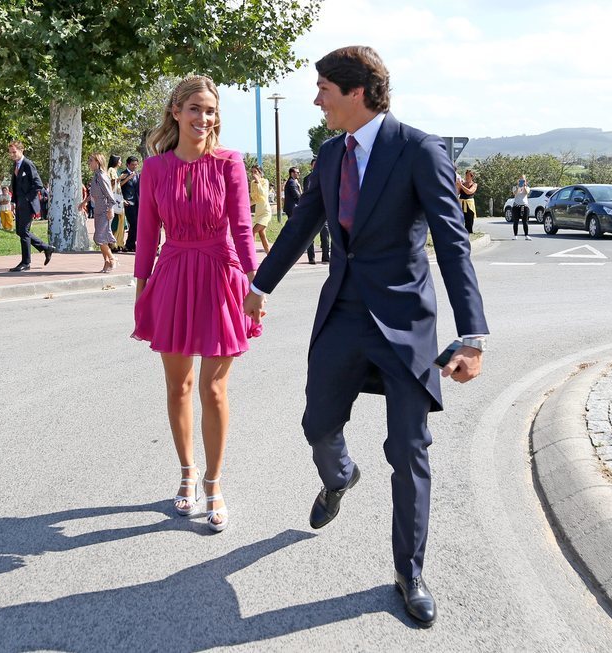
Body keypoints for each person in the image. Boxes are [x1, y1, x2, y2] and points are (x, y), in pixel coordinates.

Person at [242, 46, 487, 628]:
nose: (316, 97)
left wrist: (472, 333)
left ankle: (410, 571)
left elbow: (451, 243)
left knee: (409, 449)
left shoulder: (418, 150)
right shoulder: (330, 155)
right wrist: (261, 286)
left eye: (323, 87)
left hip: (405, 326)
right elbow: (302, 225)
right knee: (317, 424)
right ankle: (341, 475)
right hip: (343, 316)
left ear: (357, 92)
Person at [132, 75, 260, 534]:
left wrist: (255, 286)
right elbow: (146, 235)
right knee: (179, 388)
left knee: (215, 390)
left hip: (221, 276)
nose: (203, 118)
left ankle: (214, 481)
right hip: (172, 277)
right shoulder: (155, 169)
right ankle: (186, 473)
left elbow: (243, 228)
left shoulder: (230, 163)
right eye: (194, 109)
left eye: (210, 111)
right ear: (175, 112)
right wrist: (141, 290)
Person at [7, 140, 56, 272]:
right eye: (10, 152)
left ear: (21, 150)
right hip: (19, 204)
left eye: (14, 152)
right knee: (21, 231)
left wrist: (27, 199)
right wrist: (14, 201)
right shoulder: (16, 165)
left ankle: (26, 262)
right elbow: (16, 186)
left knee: (23, 232)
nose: (12, 154)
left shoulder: (28, 164)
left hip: (28, 204)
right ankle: (46, 248)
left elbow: (38, 184)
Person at [83, 152, 117, 272]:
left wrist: (110, 209)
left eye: (91, 160)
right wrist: (83, 203)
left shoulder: (102, 176)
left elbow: (110, 196)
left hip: (104, 211)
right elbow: (93, 194)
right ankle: (106, 262)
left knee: (99, 237)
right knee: (100, 239)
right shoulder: (96, 176)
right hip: (98, 210)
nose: (89, 163)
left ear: (98, 162)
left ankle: (112, 259)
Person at [302, 157, 330, 264]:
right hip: (311, 211)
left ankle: (326, 257)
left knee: (325, 235)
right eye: (314, 164)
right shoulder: (307, 179)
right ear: (311, 166)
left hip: (324, 211)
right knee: (310, 236)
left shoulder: (326, 177)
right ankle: (311, 258)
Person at [249, 164, 272, 254]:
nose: (253, 174)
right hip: (258, 213)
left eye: (255, 172)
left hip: (265, 212)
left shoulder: (264, 181)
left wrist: (258, 182)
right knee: (262, 235)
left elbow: (263, 194)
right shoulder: (252, 183)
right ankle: (270, 255)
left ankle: (250, 253)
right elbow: (254, 199)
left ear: (260, 173)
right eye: (252, 172)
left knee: (252, 232)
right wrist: (246, 206)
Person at [120, 156, 141, 252]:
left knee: (136, 224)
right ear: (128, 164)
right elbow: (118, 187)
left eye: (136, 165)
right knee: (134, 223)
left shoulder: (137, 174)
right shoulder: (123, 174)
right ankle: (129, 244)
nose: (134, 166)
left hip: (137, 203)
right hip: (128, 203)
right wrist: (123, 200)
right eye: (132, 165)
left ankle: (131, 244)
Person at [108, 155, 126, 252]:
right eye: (119, 160)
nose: (121, 162)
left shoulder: (115, 171)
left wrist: (125, 178)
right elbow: (110, 183)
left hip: (118, 199)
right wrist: (120, 178)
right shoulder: (111, 170)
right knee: (115, 222)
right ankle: (112, 244)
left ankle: (118, 243)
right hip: (114, 200)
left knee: (120, 221)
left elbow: (118, 185)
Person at [457, 169, 477, 234]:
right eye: (466, 175)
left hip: (469, 204)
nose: (467, 177)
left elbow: (469, 192)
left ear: (472, 177)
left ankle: (469, 232)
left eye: (468, 176)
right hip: (461, 203)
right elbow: (457, 192)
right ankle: (460, 232)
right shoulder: (462, 184)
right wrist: (457, 185)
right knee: (460, 218)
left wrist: (461, 185)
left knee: (469, 219)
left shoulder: (474, 184)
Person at [511, 174, 531, 241]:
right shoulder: (515, 187)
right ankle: (515, 235)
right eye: (520, 180)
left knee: (525, 221)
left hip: (525, 206)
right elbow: (515, 193)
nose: (522, 181)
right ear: (518, 180)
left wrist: (524, 186)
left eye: (523, 180)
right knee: (516, 221)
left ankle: (526, 235)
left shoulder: (527, 187)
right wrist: (519, 187)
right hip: (516, 206)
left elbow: (526, 192)